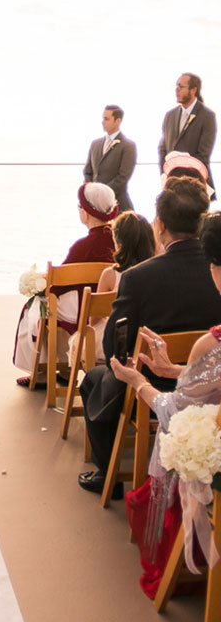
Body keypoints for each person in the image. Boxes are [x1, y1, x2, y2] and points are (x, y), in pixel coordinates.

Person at [76, 181, 221, 495]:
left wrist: (131, 364)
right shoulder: (216, 270)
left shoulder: (137, 277)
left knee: (94, 379)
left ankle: (108, 474)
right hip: (213, 385)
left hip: (158, 383)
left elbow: (114, 348)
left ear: (160, 226)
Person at [107, 213, 221, 600]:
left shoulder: (212, 344)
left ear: (215, 268)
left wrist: (139, 381)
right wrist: (174, 369)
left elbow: (175, 411)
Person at [14, 184, 121, 385]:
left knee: (38, 307)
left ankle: (41, 374)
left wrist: (40, 287)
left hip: (83, 312)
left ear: (87, 213)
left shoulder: (83, 246)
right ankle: (64, 371)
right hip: (110, 310)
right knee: (55, 303)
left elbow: (58, 284)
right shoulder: (119, 241)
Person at [75, 212, 156, 364]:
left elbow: (93, 321)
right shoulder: (156, 272)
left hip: (115, 340)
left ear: (117, 241)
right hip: (147, 338)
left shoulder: (110, 275)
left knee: (83, 337)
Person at [85, 105, 136, 212]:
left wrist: (102, 194)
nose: (103, 122)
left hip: (118, 205)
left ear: (118, 121)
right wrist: (90, 194)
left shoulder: (128, 146)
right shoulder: (95, 144)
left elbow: (123, 177)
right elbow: (88, 171)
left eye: (106, 119)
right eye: (103, 118)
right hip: (95, 206)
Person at [160, 73, 215, 168]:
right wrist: (165, 171)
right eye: (177, 86)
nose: (177, 90)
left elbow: (203, 155)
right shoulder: (170, 116)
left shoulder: (207, 116)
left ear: (193, 90)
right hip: (171, 178)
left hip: (195, 179)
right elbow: (163, 148)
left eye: (181, 87)